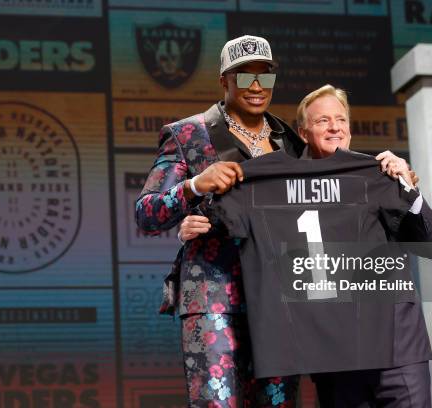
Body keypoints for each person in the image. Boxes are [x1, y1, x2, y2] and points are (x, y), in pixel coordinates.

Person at [136, 35, 304, 407]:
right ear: (224, 81)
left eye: (266, 76)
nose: (257, 87)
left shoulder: (290, 141)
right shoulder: (188, 134)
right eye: (245, 77)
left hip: (278, 299)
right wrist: (194, 186)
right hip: (215, 295)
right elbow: (146, 213)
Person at [297, 84, 432, 407]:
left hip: (398, 351)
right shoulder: (289, 191)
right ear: (303, 132)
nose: (335, 127)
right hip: (335, 358)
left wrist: (406, 186)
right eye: (322, 121)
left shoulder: (380, 176)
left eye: (341, 119)